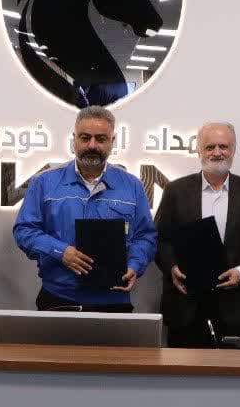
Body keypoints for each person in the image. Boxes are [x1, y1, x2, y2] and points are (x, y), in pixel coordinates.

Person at [13, 105, 157, 311]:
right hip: (59, 298)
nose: (92, 145)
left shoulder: (132, 186)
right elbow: (24, 230)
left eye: (101, 139)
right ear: (74, 139)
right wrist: (61, 252)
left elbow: (146, 236)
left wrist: (135, 264)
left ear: (112, 141)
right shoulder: (44, 183)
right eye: (85, 138)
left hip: (114, 299)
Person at [154, 122, 240, 347]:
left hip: (235, 306)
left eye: (223, 146)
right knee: (182, 369)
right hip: (185, 305)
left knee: (231, 370)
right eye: (210, 147)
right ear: (199, 150)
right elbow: (160, 240)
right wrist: (171, 268)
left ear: (233, 149)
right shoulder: (175, 190)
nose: (217, 152)